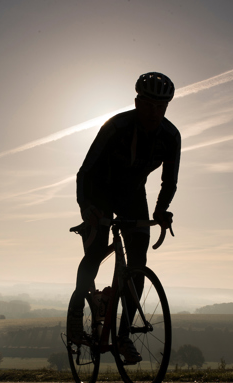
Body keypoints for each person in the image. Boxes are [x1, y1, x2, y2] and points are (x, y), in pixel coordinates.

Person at [68, 72, 181, 363]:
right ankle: (76, 314)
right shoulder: (116, 126)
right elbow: (85, 171)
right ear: (136, 102)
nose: (154, 112)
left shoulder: (170, 136)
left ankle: (122, 336)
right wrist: (86, 207)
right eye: (148, 105)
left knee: (138, 263)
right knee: (94, 253)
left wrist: (161, 211)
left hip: (132, 194)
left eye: (161, 106)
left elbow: (169, 182)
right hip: (99, 190)